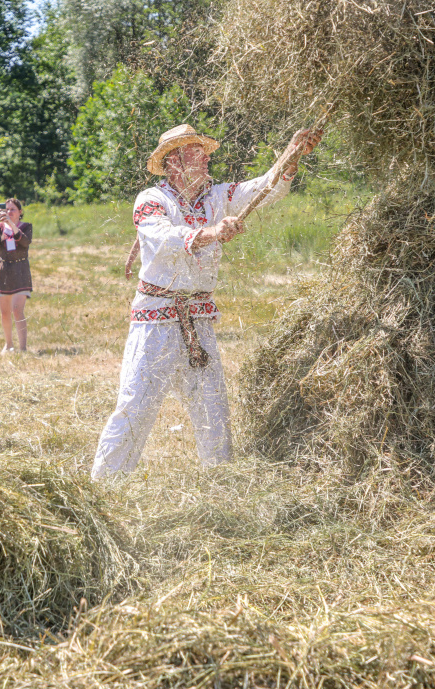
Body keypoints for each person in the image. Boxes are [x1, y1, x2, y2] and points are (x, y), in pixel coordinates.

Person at [90, 124, 322, 480]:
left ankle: (221, 491)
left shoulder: (217, 195)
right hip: (155, 323)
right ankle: (103, 489)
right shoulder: (152, 200)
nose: (208, 155)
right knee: (134, 409)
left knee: (215, 414)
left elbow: (261, 190)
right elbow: (165, 239)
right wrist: (212, 233)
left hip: (199, 322)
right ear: (174, 161)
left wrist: (291, 155)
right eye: (198, 150)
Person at [0, 198, 33, 353]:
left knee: (17, 310)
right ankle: (9, 344)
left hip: (20, 270)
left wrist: (11, 225)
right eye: (7, 209)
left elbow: (25, 242)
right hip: (4, 271)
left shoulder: (26, 226)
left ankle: (23, 348)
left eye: (13, 209)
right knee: (5, 312)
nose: (9, 212)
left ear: (20, 212)